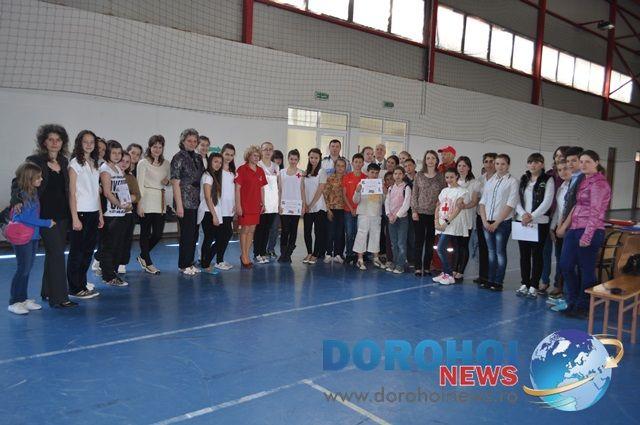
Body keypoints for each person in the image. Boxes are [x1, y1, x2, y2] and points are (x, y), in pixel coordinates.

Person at [11, 124, 76, 308]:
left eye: (58, 139)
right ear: (44, 142)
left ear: (62, 142)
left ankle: (47, 291)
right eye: (50, 139)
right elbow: (18, 181)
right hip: (44, 217)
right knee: (57, 254)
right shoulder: (35, 160)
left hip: (62, 216)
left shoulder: (64, 161)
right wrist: (16, 199)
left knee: (54, 253)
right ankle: (59, 298)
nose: (55, 143)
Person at [557, 150, 611, 318]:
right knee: (565, 265)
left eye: (588, 161)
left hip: (591, 230)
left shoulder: (599, 183)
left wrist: (587, 236)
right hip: (574, 229)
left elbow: (596, 212)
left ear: (596, 163)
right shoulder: (583, 181)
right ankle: (572, 301)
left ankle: (584, 306)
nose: (583, 165)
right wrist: (566, 226)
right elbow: (576, 206)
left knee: (586, 270)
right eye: (581, 162)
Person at [8, 162, 56, 315]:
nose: (41, 179)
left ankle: (23, 299)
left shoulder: (33, 192)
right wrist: (47, 223)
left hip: (32, 236)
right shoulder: (22, 196)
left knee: (27, 269)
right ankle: (14, 301)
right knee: (23, 269)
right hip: (22, 237)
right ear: (29, 179)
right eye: (38, 177)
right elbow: (25, 218)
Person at [67, 130, 102, 299]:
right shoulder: (74, 164)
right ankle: (74, 288)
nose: (89, 145)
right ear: (79, 144)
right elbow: (72, 193)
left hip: (93, 212)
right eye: (85, 142)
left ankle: (82, 284)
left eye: (91, 142)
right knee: (77, 252)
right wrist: (74, 217)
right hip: (80, 213)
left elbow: (96, 192)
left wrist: (100, 214)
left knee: (88, 251)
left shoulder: (94, 163)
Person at [514, 153, 554, 299]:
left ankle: (534, 285)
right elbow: (516, 199)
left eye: (536, 162)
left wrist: (532, 216)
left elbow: (547, 201)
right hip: (522, 222)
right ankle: (524, 283)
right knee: (524, 255)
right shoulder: (523, 179)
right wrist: (523, 214)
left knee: (537, 255)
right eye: (530, 162)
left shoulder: (548, 179)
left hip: (539, 222)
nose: (533, 165)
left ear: (542, 164)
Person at [478, 153, 519, 291]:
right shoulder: (490, 181)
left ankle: (498, 281)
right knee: (491, 252)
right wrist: (484, 221)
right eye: (497, 164)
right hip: (487, 222)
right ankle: (490, 279)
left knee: (500, 252)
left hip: (502, 223)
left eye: (503, 164)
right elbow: (482, 202)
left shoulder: (512, 181)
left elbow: (510, 204)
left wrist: (496, 223)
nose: (499, 166)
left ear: (508, 165)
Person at [170, 128, 204, 276]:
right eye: (189, 140)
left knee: (194, 235)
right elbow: (175, 182)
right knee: (186, 235)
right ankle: (183, 265)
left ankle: (190, 262)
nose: (192, 143)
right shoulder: (178, 157)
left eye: (195, 141)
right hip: (184, 201)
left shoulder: (198, 157)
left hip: (197, 201)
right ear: (183, 141)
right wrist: (179, 205)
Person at [99, 140, 132, 287]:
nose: (117, 155)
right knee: (109, 246)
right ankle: (108, 276)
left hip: (121, 213)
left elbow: (123, 189)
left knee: (118, 245)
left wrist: (127, 203)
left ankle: (112, 272)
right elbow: (107, 192)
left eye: (119, 153)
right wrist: (120, 205)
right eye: (114, 153)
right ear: (108, 153)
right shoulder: (105, 169)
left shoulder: (118, 168)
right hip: (110, 213)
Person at [136, 135, 170, 274]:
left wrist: (167, 182)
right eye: (154, 146)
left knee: (157, 234)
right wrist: (139, 204)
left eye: (160, 147)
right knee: (145, 232)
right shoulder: (143, 163)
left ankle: (142, 256)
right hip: (146, 199)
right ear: (150, 147)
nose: (157, 149)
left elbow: (169, 180)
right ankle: (148, 262)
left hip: (160, 201)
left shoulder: (166, 164)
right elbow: (139, 184)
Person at [411, 150, 446, 277]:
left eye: (433, 158)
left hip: (434, 214)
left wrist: (440, 212)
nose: (430, 160)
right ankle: (417, 267)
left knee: (430, 242)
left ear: (436, 160)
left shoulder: (441, 176)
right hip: (420, 212)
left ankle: (426, 267)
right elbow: (414, 194)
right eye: (428, 158)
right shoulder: (419, 175)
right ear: (425, 161)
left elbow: (443, 195)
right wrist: (414, 210)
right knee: (419, 241)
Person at [434, 168, 470, 285]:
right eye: (447, 177)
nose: (449, 180)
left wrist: (446, 223)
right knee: (441, 248)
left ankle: (449, 274)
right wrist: (436, 222)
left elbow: (457, 209)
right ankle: (445, 272)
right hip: (441, 223)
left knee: (440, 248)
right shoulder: (444, 191)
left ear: (457, 177)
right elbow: (438, 206)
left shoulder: (462, 191)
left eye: (451, 177)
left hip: (451, 224)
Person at [541, 146, 570, 293]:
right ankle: (544, 281)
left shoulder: (573, 181)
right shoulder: (549, 175)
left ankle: (559, 284)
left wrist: (560, 225)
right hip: (549, 218)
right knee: (545, 252)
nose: (559, 158)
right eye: (557, 155)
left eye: (562, 155)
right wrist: (553, 226)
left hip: (565, 223)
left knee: (562, 256)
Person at [235, 145, 267, 269]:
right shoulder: (241, 169)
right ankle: (243, 255)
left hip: (256, 205)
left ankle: (246, 254)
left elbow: (261, 188)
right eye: (254, 155)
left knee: (252, 230)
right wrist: (238, 205)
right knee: (245, 230)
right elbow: (237, 189)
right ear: (248, 156)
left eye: (258, 156)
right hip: (244, 205)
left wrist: (263, 203)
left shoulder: (260, 171)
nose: (256, 158)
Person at [547, 159, 571, 310]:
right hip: (559, 228)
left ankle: (569, 296)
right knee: (561, 261)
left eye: (565, 169)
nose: (563, 172)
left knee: (569, 264)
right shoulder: (561, 188)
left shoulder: (576, 187)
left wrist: (563, 226)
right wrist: (552, 227)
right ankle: (561, 291)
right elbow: (558, 210)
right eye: (560, 170)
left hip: (570, 229)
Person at [353, 163, 384, 270]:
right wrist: (357, 191)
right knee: (362, 234)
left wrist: (385, 192)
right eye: (372, 172)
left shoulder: (380, 184)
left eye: (376, 173)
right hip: (364, 213)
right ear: (367, 172)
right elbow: (355, 201)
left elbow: (383, 201)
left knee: (376, 235)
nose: (374, 175)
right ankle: (360, 259)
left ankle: (376, 258)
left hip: (376, 213)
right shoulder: (362, 183)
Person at [454, 156, 480, 280]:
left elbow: (474, 201)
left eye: (464, 166)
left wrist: (464, 206)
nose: (461, 168)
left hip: (467, 218)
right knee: (456, 245)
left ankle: (461, 271)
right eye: (459, 165)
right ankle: (454, 268)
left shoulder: (474, 183)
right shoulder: (454, 181)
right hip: (455, 219)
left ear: (469, 167)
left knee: (464, 245)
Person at [253, 142, 279, 264]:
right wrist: (260, 202)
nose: (268, 152)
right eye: (265, 149)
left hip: (273, 203)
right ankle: (257, 253)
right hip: (261, 202)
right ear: (261, 151)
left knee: (267, 229)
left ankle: (263, 252)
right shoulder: (258, 165)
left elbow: (278, 185)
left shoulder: (276, 166)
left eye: (270, 149)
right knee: (260, 229)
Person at [278, 149, 305, 263]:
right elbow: (280, 190)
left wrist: (303, 205)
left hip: (296, 205)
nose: (293, 161)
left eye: (295, 159)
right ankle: (283, 253)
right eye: (291, 159)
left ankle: (288, 254)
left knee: (293, 230)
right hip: (284, 205)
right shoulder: (282, 172)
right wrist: (279, 204)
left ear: (298, 160)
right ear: (288, 159)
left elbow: (302, 190)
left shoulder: (301, 173)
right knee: (285, 230)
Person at [198, 153, 223, 274]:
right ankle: (205, 264)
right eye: (215, 161)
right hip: (208, 212)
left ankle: (205, 262)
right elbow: (208, 198)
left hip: (212, 211)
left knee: (218, 238)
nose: (218, 164)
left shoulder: (213, 176)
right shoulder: (207, 176)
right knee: (209, 239)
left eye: (220, 162)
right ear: (210, 162)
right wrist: (214, 215)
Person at [474, 153, 496, 285]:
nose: (489, 164)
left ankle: (493, 277)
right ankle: (483, 275)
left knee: (493, 249)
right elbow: (476, 199)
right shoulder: (480, 179)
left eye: (492, 161)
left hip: (495, 218)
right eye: (486, 161)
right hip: (480, 217)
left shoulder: (501, 179)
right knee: (482, 247)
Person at [302, 148, 328, 264]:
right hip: (307, 207)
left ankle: (315, 254)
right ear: (309, 158)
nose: (313, 160)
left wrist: (311, 204)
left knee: (318, 232)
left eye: (316, 158)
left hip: (319, 207)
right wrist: (305, 204)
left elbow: (320, 189)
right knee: (307, 231)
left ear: (319, 158)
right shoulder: (305, 172)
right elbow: (302, 189)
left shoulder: (322, 172)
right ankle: (309, 252)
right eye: (311, 157)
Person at [214, 143, 237, 270]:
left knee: (227, 234)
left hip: (230, 207)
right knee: (222, 235)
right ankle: (216, 260)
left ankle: (220, 259)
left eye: (231, 155)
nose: (229, 157)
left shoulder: (233, 171)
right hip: (220, 207)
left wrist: (235, 204)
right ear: (222, 153)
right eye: (227, 154)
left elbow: (234, 190)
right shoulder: (217, 171)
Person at [117, 152, 141, 274]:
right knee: (113, 241)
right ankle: (102, 262)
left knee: (126, 241)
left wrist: (130, 198)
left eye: (127, 162)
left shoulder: (130, 177)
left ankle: (122, 263)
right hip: (112, 214)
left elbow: (138, 195)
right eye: (122, 160)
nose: (124, 164)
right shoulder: (108, 174)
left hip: (128, 213)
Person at [385, 166, 412, 274]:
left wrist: (396, 216)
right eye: (395, 174)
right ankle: (395, 262)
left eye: (400, 174)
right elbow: (387, 202)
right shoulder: (391, 188)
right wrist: (389, 214)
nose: (397, 176)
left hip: (402, 219)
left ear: (403, 175)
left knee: (401, 243)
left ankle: (400, 265)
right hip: (391, 219)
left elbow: (406, 204)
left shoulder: (406, 188)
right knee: (393, 243)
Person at [342, 153, 366, 265]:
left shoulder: (365, 178)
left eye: (360, 162)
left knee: (359, 233)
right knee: (349, 233)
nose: (358, 164)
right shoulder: (347, 177)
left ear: (363, 164)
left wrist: (357, 209)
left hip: (361, 211)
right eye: (356, 162)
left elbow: (365, 197)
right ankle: (349, 254)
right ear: (352, 163)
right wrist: (351, 208)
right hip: (348, 210)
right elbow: (344, 195)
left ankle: (358, 255)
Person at [324, 158, 347, 263]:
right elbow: (325, 195)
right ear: (335, 166)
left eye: (343, 166)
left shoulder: (347, 178)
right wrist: (328, 209)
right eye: (338, 165)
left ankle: (338, 254)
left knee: (339, 233)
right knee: (330, 232)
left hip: (343, 209)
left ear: (345, 167)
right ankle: (329, 253)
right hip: (332, 209)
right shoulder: (330, 178)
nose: (340, 168)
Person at [266, 149, 284, 258]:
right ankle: (261, 250)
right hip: (267, 202)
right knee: (264, 228)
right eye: (276, 158)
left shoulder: (284, 172)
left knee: (274, 228)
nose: (278, 160)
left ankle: (271, 249)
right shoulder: (267, 170)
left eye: (280, 158)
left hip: (278, 204)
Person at [404, 158, 417, 268]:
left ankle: (415, 259)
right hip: (405, 211)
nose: (408, 168)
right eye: (405, 166)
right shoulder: (403, 179)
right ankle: (408, 258)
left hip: (417, 210)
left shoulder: (420, 177)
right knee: (407, 236)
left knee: (415, 237)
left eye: (410, 165)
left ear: (414, 166)